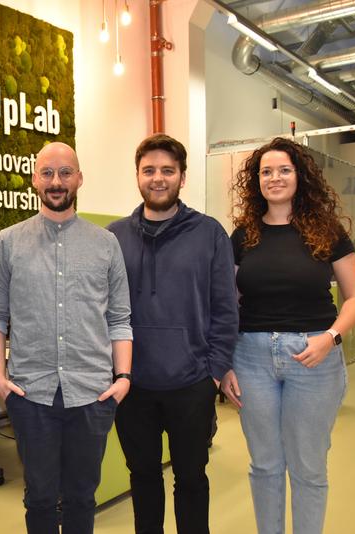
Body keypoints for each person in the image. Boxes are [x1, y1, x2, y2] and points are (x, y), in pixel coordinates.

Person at [0, 141, 133, 534]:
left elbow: (120, 318)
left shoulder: (105, 244)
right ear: (34, 179)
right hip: (31, 394)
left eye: (65, 172)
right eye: (47, 172)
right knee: (40, 497)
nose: (56, 181)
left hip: (92, 393)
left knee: (83, 496)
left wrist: (123, 378)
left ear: (79, 178)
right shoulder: (9, 242)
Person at [221, 137, 355, 534]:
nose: (275, 178)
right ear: (257, 181)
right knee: (265, 464)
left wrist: (331, 338)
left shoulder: (327, 232)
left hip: (314, 355)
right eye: (266, 171)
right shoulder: (243, 237)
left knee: (308, 466)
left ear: (300, 176)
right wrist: (226, 365)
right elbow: (229, 304)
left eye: (284, 169)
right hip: (251, 357)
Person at [107, 134, 239, 534]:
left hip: (191, 383)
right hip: (133, 385)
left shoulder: (209, 233)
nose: (158, 178)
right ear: (137, 176)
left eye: (167, 170)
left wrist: (213, 373)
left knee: (192, 479)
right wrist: (114, 373)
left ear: (182, 177)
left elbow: (226, 307)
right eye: (149, 170)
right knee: (143, 479)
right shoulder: (113, 237)